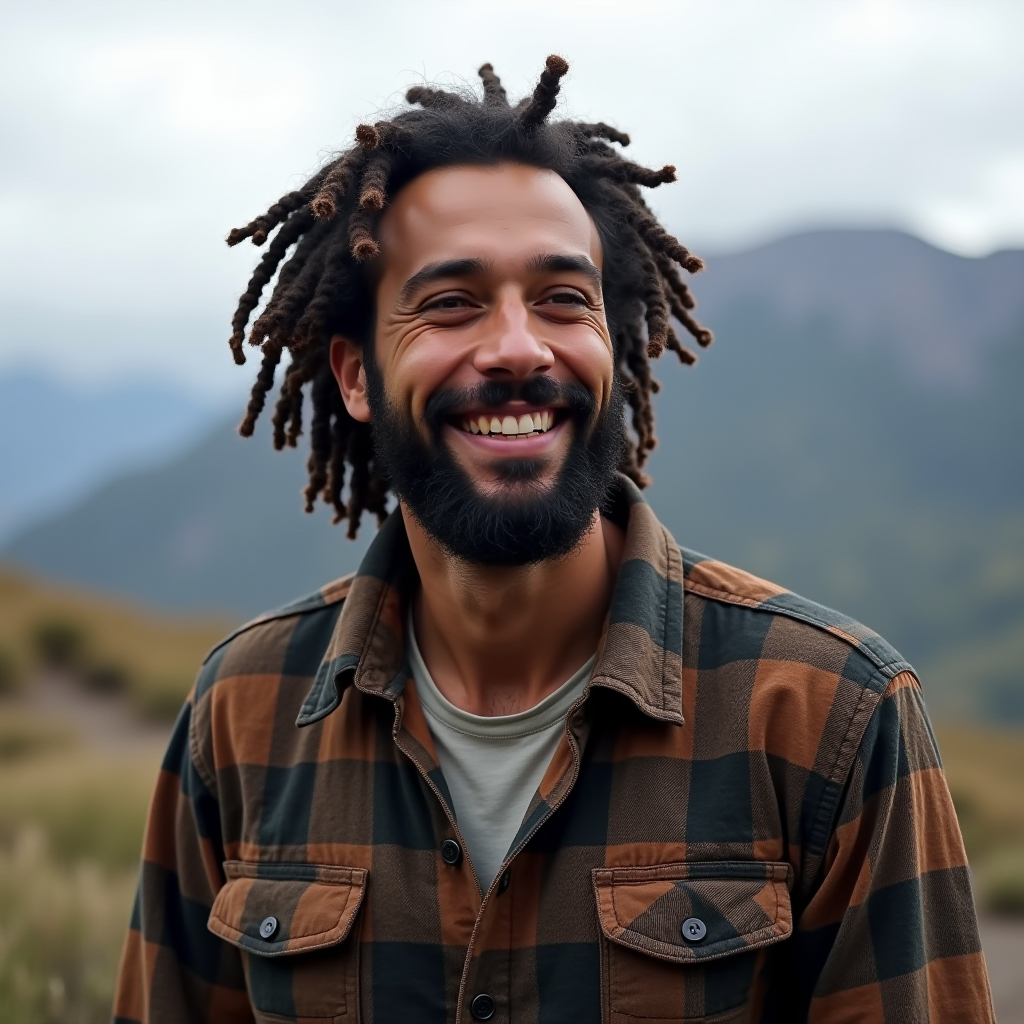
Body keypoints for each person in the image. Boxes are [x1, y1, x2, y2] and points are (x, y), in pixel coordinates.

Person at [113, 56, 994, 1024]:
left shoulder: (832, 715)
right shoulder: (242, 709)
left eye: (563, 300)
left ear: (614, 352)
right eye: (450, 303)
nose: (519, 347)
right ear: (356, 374)